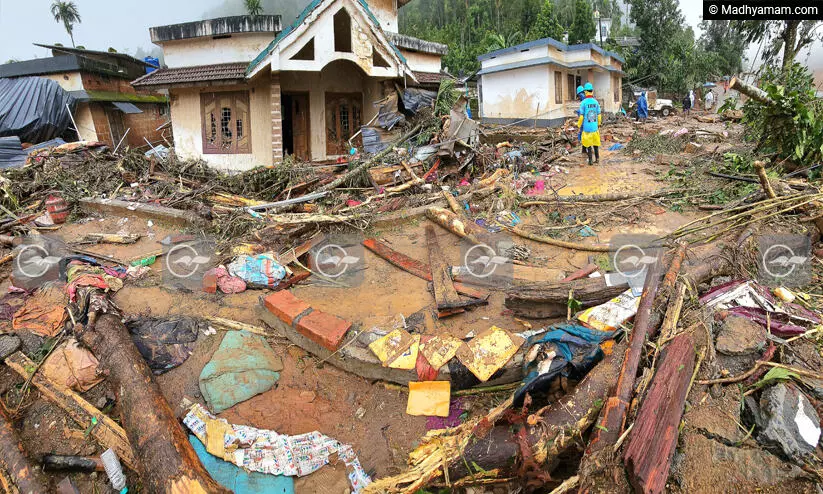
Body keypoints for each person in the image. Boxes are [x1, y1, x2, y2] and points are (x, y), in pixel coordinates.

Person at [577, 82, 601, 166]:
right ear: (592, 91)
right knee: (595, 144)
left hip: (587, 128)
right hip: (594, 127)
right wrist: (599, 124)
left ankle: (590, 161)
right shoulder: (596, 102)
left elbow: (581, 117)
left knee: (588, 144)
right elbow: (599, 115)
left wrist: (578, 125)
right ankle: (597, 159)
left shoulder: (583, 103)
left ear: (586, 92)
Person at [575, 85, 585, 153]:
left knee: (581, 131)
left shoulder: (582, 97)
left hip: (584, 119)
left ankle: (580, 144)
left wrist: (578, 111)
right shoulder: (586, 98)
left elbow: (582, 111)